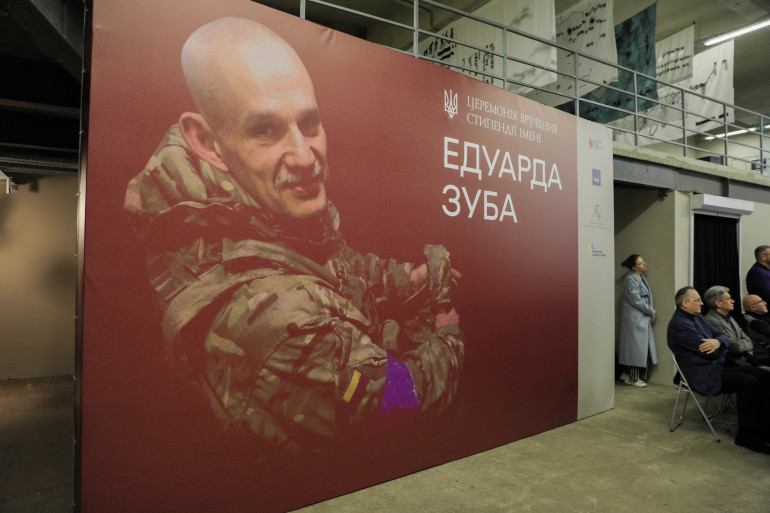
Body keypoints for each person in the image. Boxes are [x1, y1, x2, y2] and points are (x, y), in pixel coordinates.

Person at [123, 17, 465, 454]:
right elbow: (399, 404)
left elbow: (330, 265)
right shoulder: (276, 326)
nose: (304, 157)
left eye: (309, 123)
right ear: (206, 141)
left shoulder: (245, 211)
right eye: (265, 130)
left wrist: (408, 279)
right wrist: (447, 337)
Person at [667, 286, 770, 454]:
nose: (701, 303)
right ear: (685, 303)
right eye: (697, 300)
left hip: (716, 367)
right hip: (703, 374)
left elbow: (721, 337)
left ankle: (764, 428)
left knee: (765, 376)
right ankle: (747, 435)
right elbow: (711, 353)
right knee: (749, 383)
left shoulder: (698, 317)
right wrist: (722, 346)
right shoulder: (680, 325)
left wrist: (717, 342)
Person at [618, 254, 656, 387]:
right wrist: (651, 311)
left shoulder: (640, 277)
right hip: (636, 317)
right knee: (637, 349)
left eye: (643, 261)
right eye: (640, 263)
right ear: (634, 267)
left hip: (641, 316)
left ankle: (627, 374)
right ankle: (632, 378)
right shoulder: (630, 279)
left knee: (640, 348)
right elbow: (636, 299)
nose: (644, 264)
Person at [703, 286, 762, 368]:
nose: (733, 301)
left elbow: (748, 340)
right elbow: (733, 347)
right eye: (728, 299)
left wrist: (745, 344)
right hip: (732, 364)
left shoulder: (730, 318)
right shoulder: (711, 320)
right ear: (718, 303)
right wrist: (746, 344)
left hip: (746, 360)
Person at [742, 294, 770, 365]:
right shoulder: (753, 322)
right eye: (761, 301)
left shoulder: (763, 317)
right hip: (763, 358)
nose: (765, 303)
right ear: (752, 307)